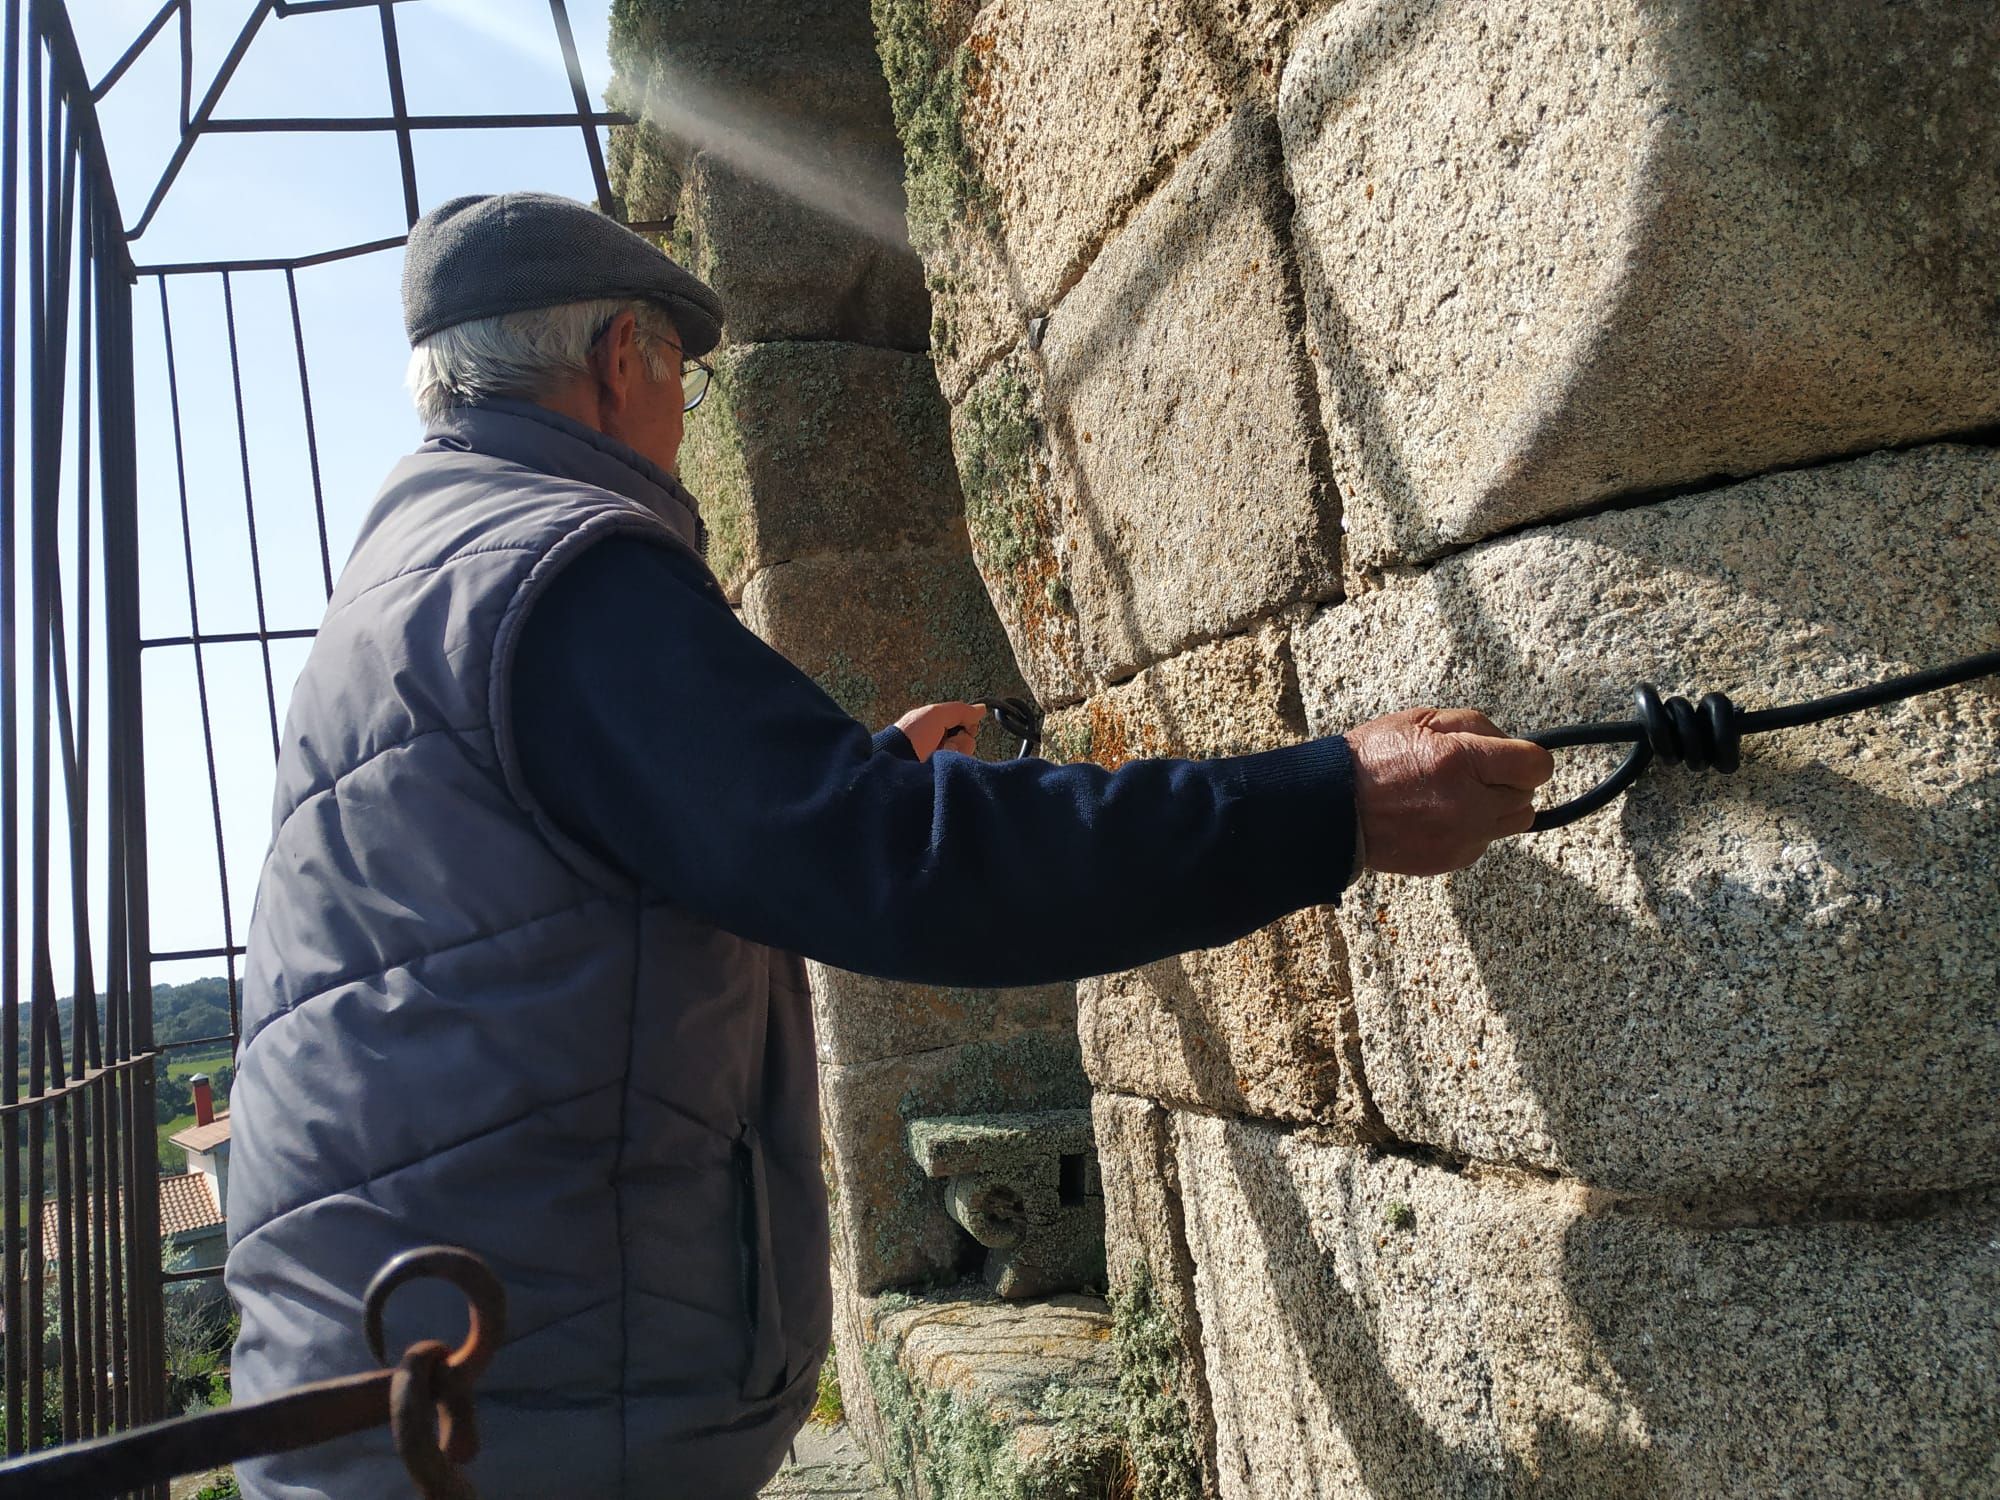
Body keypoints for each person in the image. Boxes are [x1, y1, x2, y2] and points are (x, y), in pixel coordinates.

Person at [223, 191, 1554, 1499]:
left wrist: (844, 785)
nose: (685, 413)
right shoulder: (561, 576)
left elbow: (604, 872)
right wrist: (1329, 805)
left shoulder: (419, 576)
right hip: (505, 1411)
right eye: (681, 372)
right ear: (621, 357)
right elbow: (891, 869)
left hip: (412, 1375)